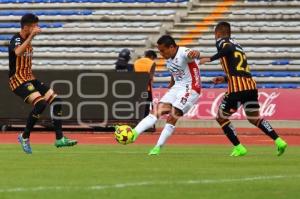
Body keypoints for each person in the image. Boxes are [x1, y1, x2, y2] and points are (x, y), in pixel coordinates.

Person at [200, 21, 287, 156]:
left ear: (217, 33)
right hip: (250, 86)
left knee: (221, 118)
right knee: (254, 118)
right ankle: (279, 141)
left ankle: (239, 147)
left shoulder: (222, 42)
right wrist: (224, 78)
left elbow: (226, 49)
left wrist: (210, 58)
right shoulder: (238, 45)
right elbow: (238, 69)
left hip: (237, 89)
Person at [8, 13, 77, 154]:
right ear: (26, 27)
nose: (37, 28)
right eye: (34, 26)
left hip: (29, 78)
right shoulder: (16, 39)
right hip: (18, 79)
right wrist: (31, 37)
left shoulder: (28, 38)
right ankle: (24, 136)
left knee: (57, 101)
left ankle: (59, 139)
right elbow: (18, 53)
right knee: (40, 104)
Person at [130, 35, 201, 155]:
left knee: (172, 116)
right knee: (156, 111)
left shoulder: (183, 52)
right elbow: (175, 73)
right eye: (160, 51)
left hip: (191, 88)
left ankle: (157, 148)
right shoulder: (169, 59)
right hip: (177, 87)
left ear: (172, 47)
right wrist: (171, 84)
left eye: (163, 50)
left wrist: (195, 53)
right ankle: (133, 134)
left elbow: (194, 54)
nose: (161, 54)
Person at [134, 50, 157, 118]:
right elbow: (150, 77)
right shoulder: (152, 63)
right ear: (152, 56)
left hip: (136, 87)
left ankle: (136, 122)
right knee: (146, 106)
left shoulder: (136, 62)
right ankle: (144, 123)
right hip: (146, 88)